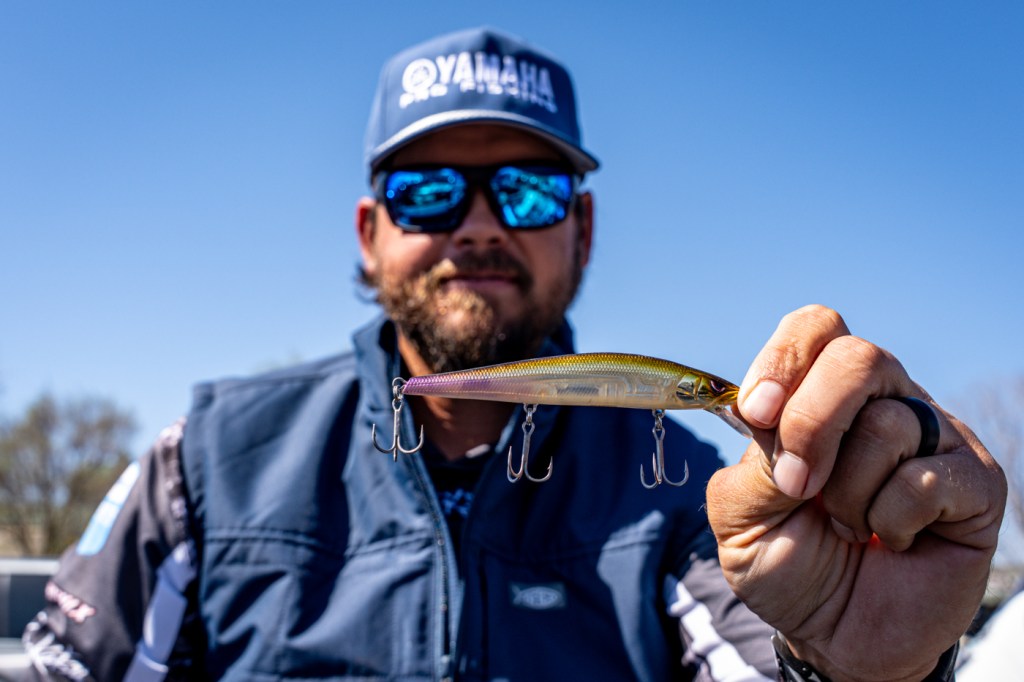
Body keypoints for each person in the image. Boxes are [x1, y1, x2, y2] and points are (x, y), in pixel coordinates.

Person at [20, 27, 1005, 682]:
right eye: (428, 191)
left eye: (529, 191)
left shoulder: (690, 500)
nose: (480, 225)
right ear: (369, 231)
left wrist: (854, 672)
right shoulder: (202, 463)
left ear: (582, 230)